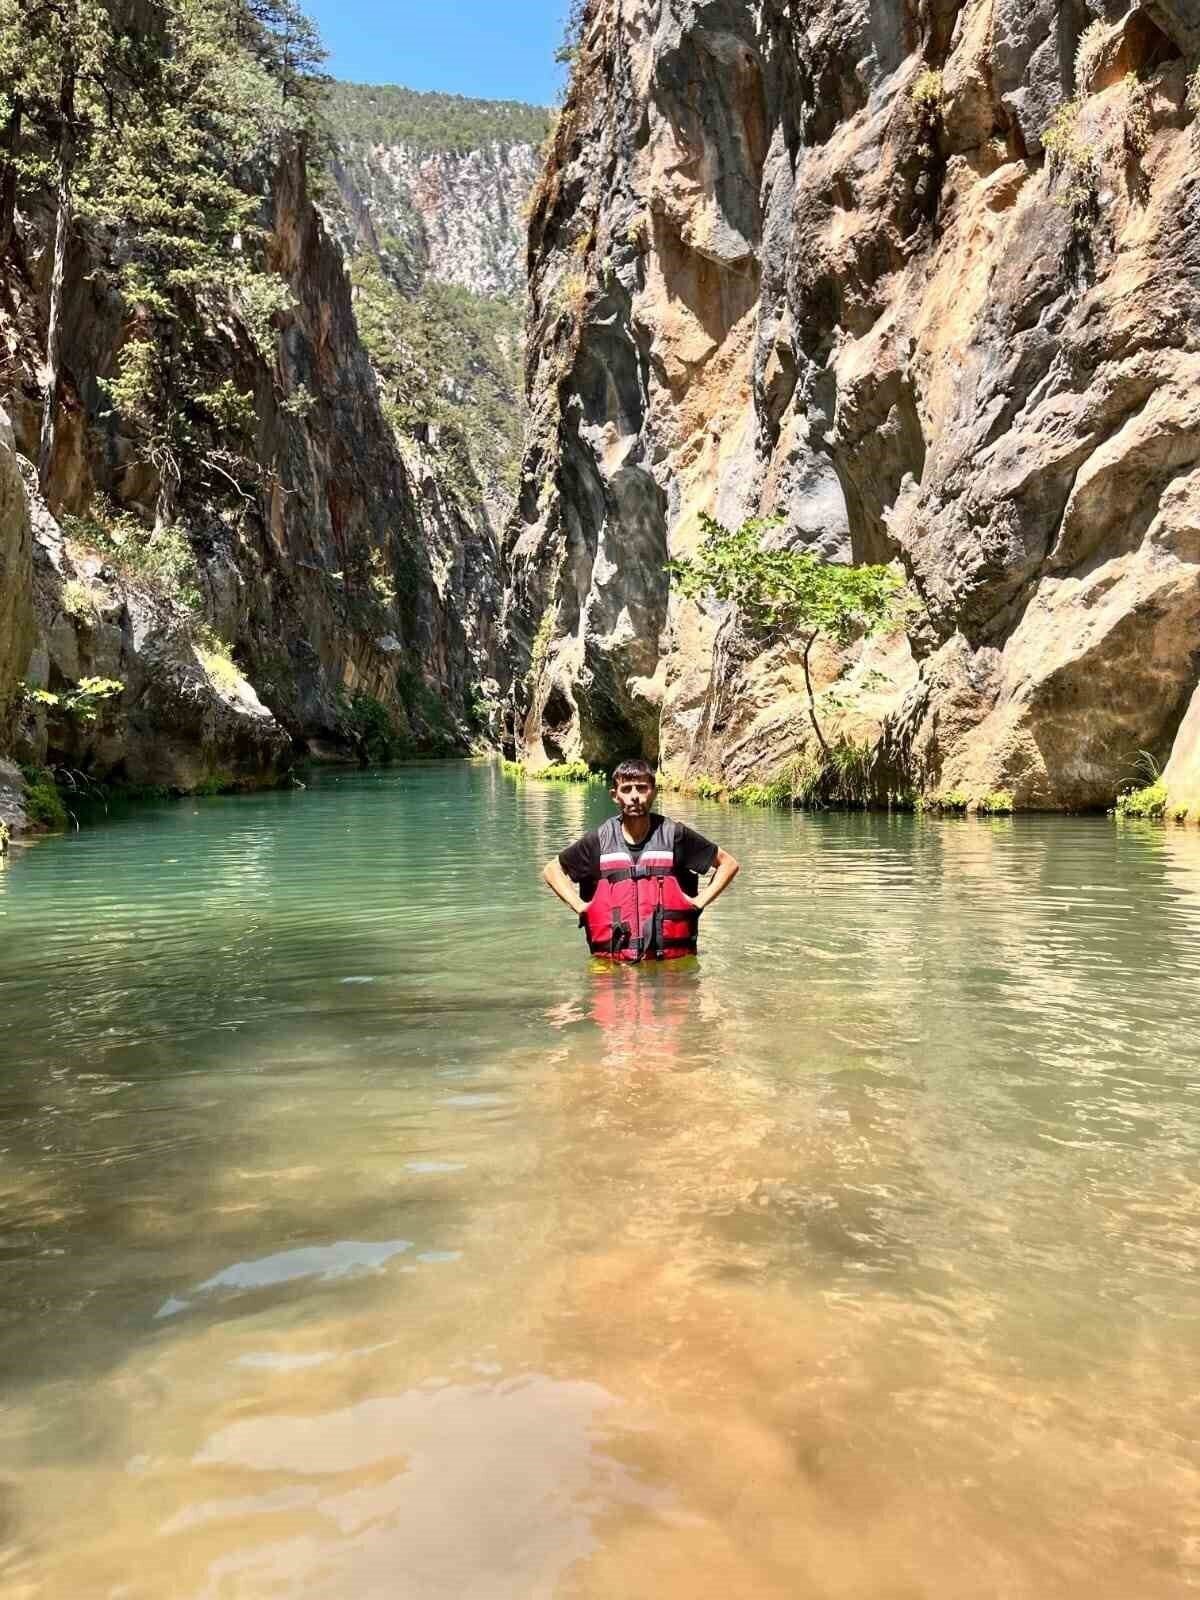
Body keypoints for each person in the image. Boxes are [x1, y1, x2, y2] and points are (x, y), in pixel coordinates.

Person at [542, 757, 740, 961]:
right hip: (613, 966)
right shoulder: (598, 841)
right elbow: (552, 870)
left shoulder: (675, 836)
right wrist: (581, 907)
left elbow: (728, 864)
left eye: (642, 788)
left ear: (653, 792)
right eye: (626, 789)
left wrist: (699, 902)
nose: (634, 796)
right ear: (614, 796)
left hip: (671, 965)